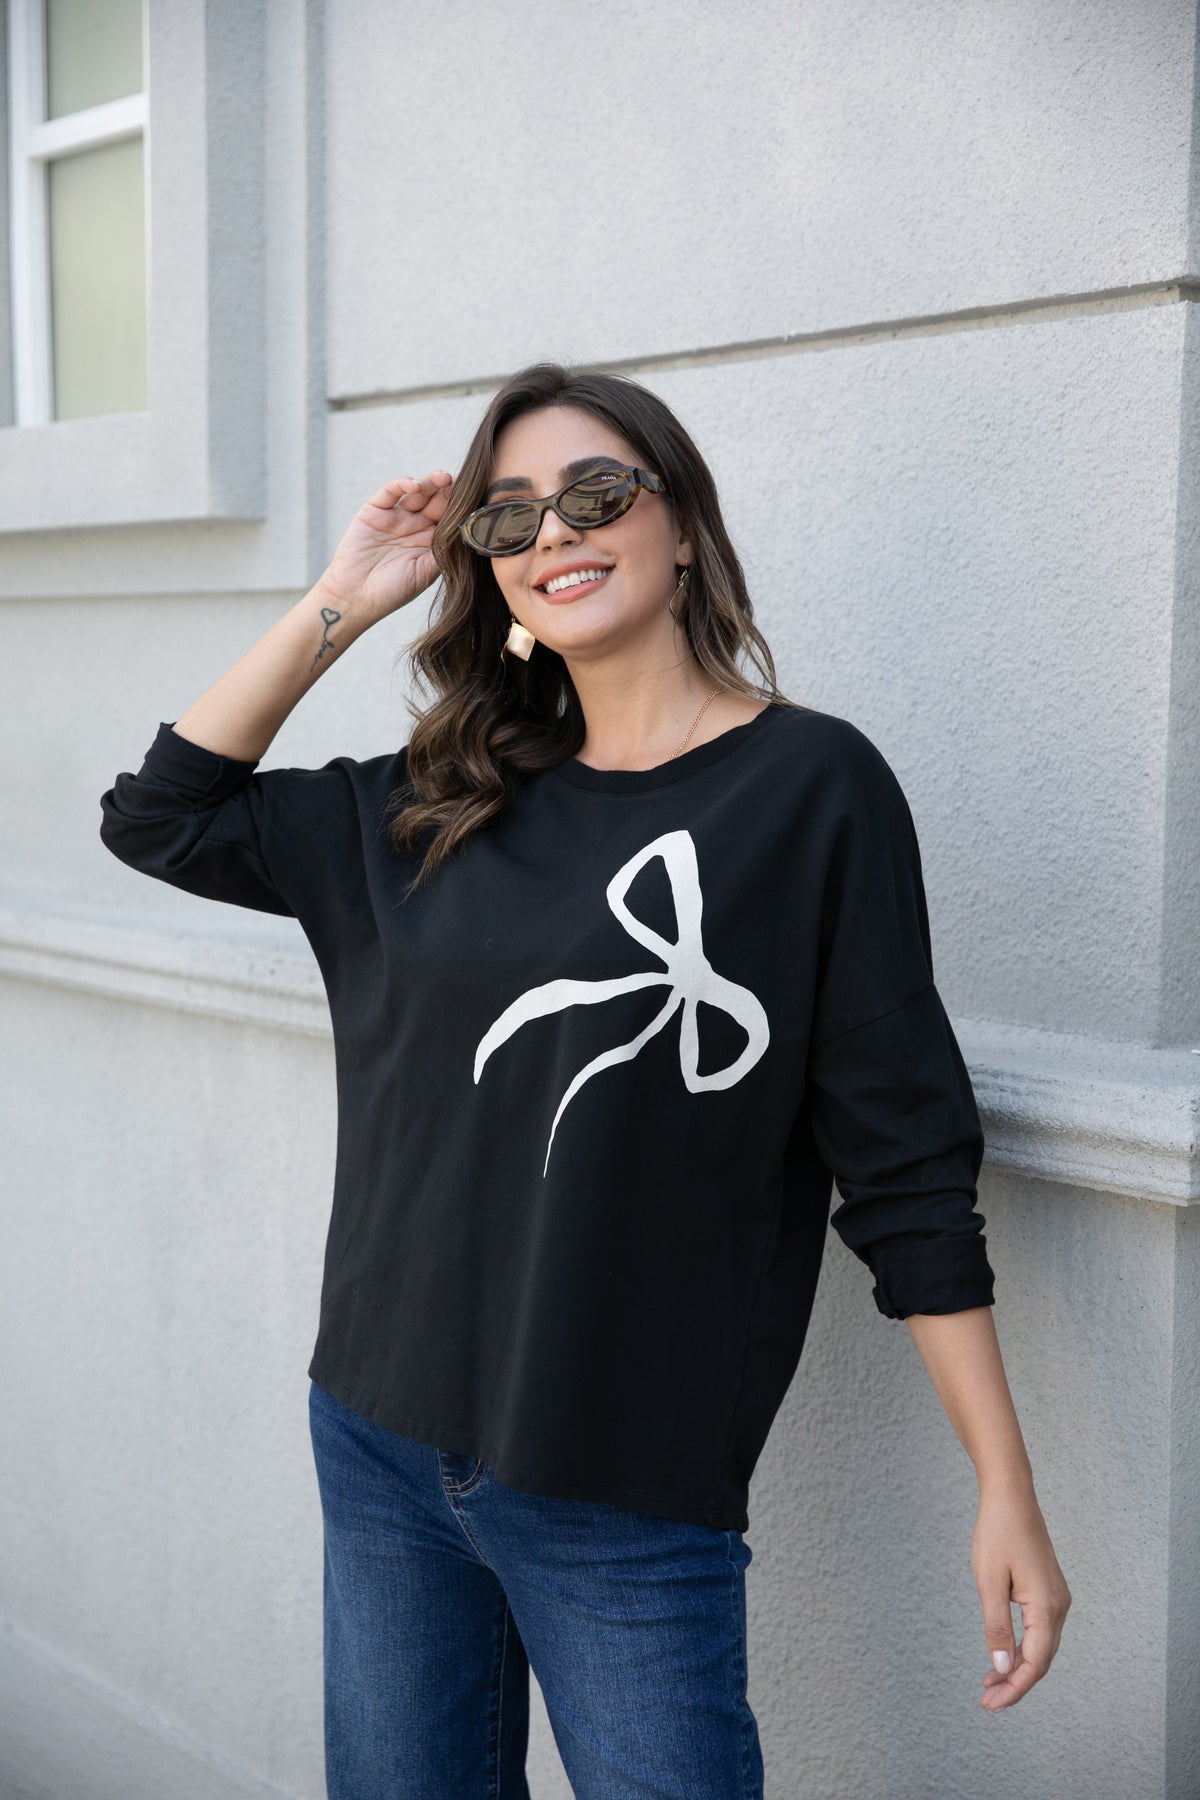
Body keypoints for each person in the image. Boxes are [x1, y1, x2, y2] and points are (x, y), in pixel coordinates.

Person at [99, 361, 1070, 1799]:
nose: (554, 530)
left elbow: (907, 1164)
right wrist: (346, 597)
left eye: (596, 492)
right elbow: (160, 818)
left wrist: (1005, 1486)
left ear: (682, 526)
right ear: (488, 569)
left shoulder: (812, 789)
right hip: (378, 1435)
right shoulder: (439, 796)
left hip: (623, 1482)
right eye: (506, 516)